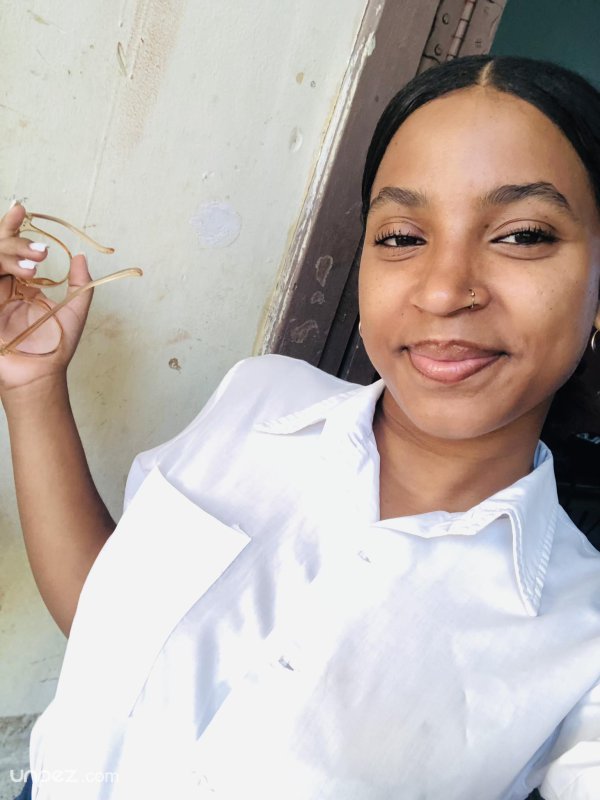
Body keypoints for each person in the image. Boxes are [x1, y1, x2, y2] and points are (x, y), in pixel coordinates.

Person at [2, 53, 600, 800]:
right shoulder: (260, 397)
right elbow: (109, 627)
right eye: (401, 237)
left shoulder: (582, 633)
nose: (445, 290)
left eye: (522, 235)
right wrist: (32, 386)